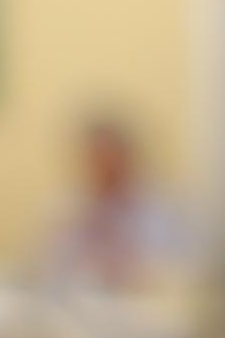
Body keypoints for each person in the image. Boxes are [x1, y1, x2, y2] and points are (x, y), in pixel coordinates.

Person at [37, 109, 204, 303]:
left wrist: (129, 267)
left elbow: (186, 273)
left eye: (111, 161)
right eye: (96, 161)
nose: (104, 170)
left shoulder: (164, 210)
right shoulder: (67, 209)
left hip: (144, 311)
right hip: (82, 310)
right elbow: (47, 273)